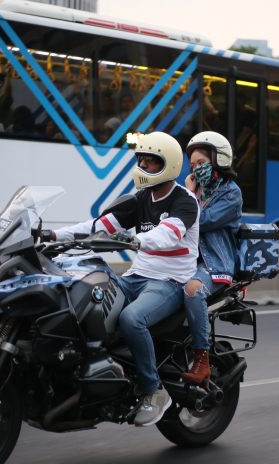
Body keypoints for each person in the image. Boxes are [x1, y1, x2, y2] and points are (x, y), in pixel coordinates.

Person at [49, 131, 200, 427]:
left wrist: (135, 240)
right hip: (135, 276)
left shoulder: (185, 201)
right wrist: (53, 235)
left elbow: (168, 234)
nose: (142, 166)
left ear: (168, 164)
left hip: (169, 281)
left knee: (132, 319)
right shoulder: (141, 199)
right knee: (84, 300)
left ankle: (154, 390)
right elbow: (97, 226)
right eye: (140, 159)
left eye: (150, 161)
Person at [181, 131, 242, 386]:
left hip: (215, 265)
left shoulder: (231, 193)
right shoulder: (197, 191)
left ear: (219, 160)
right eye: (192, 165)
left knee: (193, 291)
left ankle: (202, 360)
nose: (196, 169)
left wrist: (188, 194)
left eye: (201, 163)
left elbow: (201, 221)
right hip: (187, 262)